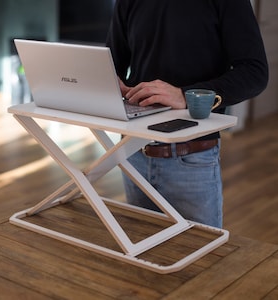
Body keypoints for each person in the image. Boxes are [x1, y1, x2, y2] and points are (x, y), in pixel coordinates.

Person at [106, 0, 268, 227]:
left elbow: (255, 73)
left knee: (202, 257)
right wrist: (107, 81)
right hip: (133, 150)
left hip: (191, 158)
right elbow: (113, 62)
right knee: (142, 253)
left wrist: (185, 95)